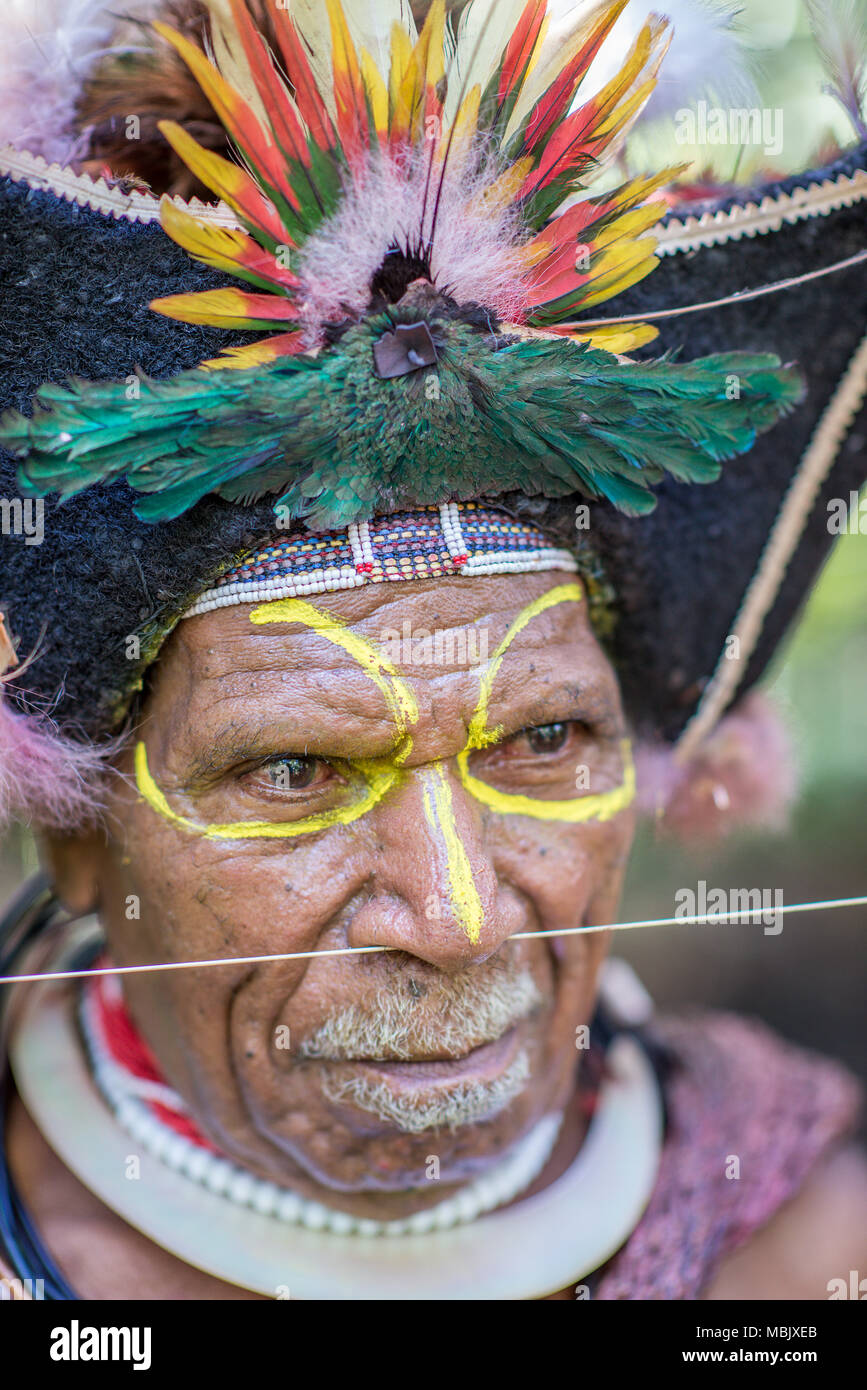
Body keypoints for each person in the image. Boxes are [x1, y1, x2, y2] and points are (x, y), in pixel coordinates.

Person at [0, 0, 865, 1301]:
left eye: (544, 738)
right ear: (73, 829)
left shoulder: (799, 1247)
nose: (455, 922)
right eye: (294, 767)